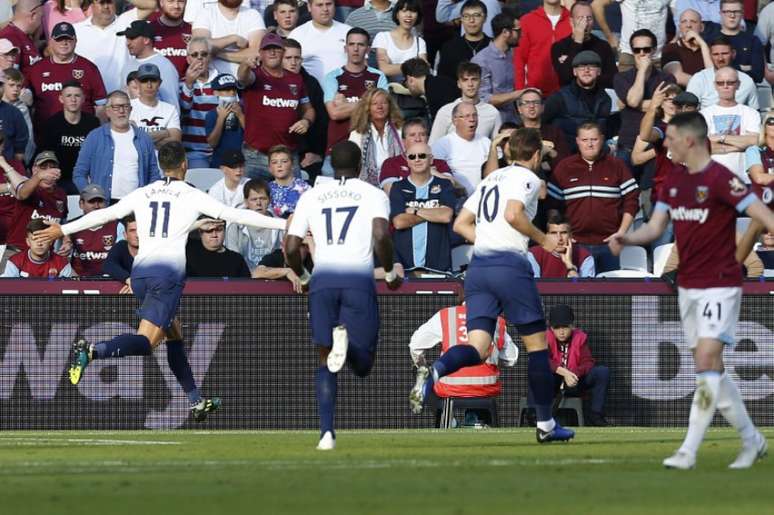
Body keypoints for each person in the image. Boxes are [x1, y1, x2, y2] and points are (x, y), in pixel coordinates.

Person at [33, 140, 287, 421]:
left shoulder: (143, 193)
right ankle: (93, 351)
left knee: (174, 335)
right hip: (165, 277)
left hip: (140, 273)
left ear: (159, 166)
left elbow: (107, 213)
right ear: (185, 165)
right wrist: (286, 224)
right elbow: (236, 215)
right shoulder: (190, 194)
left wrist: (63, 229)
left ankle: (195, 400)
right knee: (146, 342)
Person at [608, 111, 774, 469]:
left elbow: (763, 214)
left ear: (689, 140)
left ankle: (688, 450)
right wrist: (627, 237)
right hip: (688, 286)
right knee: (714, 368)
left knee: (703, 362)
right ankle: (752, 439)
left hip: (721, 283)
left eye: (669, 138)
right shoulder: (671, 183)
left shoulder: (721, 179)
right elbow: (653, 229)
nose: (664, 146)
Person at [410, 127, 575, 443]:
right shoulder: (527, 178)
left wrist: (488, 239)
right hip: (509, 266)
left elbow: (461, 224)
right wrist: (544, 240)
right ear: (536, 156)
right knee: (538, 348)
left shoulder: (489, 180)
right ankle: (546, 425)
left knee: (478, 347)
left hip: (478, 268)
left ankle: (435, 372)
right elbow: (514, 214)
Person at [284, 139, 401, 450]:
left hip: (323, 279)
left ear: (331, 165)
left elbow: (292, 247)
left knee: (325, 361)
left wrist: (306, 276)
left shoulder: (311, 195)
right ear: (360, 166)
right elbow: (380, 235)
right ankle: (346, 347)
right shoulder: (374, 194)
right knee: (363, 367)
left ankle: (326, 434)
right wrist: (389, 272)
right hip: (357, 279)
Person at [409, 291, 519, 425]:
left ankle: (449, 421)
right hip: (486, 386)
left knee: (426, 375)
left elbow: (415, 345)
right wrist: (494, 357)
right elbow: (512, 359)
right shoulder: (496, 319)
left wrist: (422, 365)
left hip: (449, 386)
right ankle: (477, 422)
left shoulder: (445, 315)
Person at [547, 122, 639, 273]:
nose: (589, 144)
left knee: (608, 294)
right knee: (576, 292)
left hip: (609, 244)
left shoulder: (617, 166)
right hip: (575, 245)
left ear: (602, 139)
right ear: (577, 141)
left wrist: (622, 232)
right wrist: (561, 235)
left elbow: (632, 200)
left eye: (594, 139)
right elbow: (552, 206)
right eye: (584, 140)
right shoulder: (565, 167)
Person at [237, 32, 315, 179]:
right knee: (254, 200)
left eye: (276, 48)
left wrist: (306, 121)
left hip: (288, 156)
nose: (272, 52)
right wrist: (245, 64)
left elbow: (309, 109)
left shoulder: (296, 79)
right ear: (260, 53)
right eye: (267, 49)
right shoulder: (255, 75)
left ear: (283, 52)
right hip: (256, 156)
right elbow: (243, 77)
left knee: (293, 200)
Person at [73, 91, 161, 202]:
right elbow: (79, 173)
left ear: (130, 110)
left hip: (136, 204)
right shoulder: (94, 137)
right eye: (116, 107)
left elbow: (153, 174)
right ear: (107, 111)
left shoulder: (144, 138)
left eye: (125, 106)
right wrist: (91, 197)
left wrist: (150, 199)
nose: (121, 111)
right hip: (104, 204)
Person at [532, 304, 610, 427]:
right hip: (554, 383)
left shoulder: (580, 338)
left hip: (575, 381)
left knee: (602, 372)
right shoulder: (545, 338)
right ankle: (535, 415)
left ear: (572, 326)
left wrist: (573, 375)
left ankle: (596, 415)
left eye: (565, 327)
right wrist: (564, 373)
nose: (561, 332)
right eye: (557, 328)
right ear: (551, 328)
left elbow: (588, 362)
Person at [613, 29, 676, 179]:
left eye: (646, 49)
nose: (642, 53)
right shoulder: (621, 77)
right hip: (627, 145)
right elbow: (635, 100)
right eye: (637, 50)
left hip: (655, 146)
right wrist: (641, 71)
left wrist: (632, 104)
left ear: (654, 51)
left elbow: (666, 106)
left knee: (652, 192)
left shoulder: (667, 78)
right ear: (632, 52)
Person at [323, 27, 388, 169]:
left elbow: (381, 109)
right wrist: (368, 103)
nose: (356, 49)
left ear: (368, 49)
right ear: (345, 48)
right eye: (352, 44)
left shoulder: (378, 76)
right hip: (337, 148)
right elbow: (335, 113)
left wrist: (346, 104)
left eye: (361, 44)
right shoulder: (332, 76)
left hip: (370, 149)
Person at [27, 21, 107, 133]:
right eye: (59, 39)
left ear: (75, 41)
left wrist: (99, 134)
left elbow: (100, 105)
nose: (64, 43)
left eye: (68, 39)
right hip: (46, 135)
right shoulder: (37, 69)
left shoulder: (89, 68)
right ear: (51, 42)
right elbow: (28, 104)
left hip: (82, 134)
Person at [389, 141, 456, 273]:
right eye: (412, 157)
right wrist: (434, 214)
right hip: (406, 266)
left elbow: (446, 216)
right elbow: (399, 222)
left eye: (422, 156)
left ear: (431, 160)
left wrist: (414, 211)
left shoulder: (445, 184)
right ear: (407, 161)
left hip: (438, 265)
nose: (417, 159)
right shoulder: (398, 187)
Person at [542, 50, 614, 150]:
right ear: (574, 72)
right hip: (565, 153)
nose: (587, 70)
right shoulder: (559, 98)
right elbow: (542, 123)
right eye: (581, 67)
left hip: (594, 152)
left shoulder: (605, 99)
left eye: (592, 66)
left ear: (599, 71)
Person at [39, 80, 101, 194]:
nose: (73, 100)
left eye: (77, 95)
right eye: (69, 96)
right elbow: (44, 155)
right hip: (58, 179)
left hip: (86, 179)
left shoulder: (93, 123)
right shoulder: (51, 124)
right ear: (61, 99)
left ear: (83, 99)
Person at [701, 66, 760, 183]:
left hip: (743, 178)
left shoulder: (751, 113)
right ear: (715, 85)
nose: (725, 86)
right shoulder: (703, 114)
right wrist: (740, 144)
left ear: (738, 84)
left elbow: (754, 141)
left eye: (730, 82)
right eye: (720, 83)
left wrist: (719, 138)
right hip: (711, 179)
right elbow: (702, 147)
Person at [281, 38, 329, 181]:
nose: (293, 62)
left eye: (297, 58)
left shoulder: (311, 83)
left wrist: (318, 153)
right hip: (274, 152)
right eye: (288, 58)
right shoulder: (269, 82)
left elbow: (322, 121)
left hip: (307, 154)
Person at [2, 151, 68, 252]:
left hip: (46, 255)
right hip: (17, 252)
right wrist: (39, 176)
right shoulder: (29, 187)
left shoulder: (61, 194)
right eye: (43, 168)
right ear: (34, 170)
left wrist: (66, 239)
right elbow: (23, 193)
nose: (48, 172)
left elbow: (62, 220)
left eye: (52, 167)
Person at [429, 62, 501, 144]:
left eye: (474, 79)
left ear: (481, 82)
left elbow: (497, 147)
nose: (470, 84)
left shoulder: (492, 113)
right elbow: (433, 146)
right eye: (465, 80)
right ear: (459, 84)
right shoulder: (445, 111)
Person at [73, 0, 137, 93]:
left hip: (123, 100)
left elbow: (151, 5)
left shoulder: (126, 22)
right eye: (102, 3)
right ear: (92, 4)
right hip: (89, 99)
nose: (106, 6)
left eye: (109, 2)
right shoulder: (76, 30)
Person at [551, 1, 616, 90]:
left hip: (597, 97)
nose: (585, 23)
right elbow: (565, 78)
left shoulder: (603, 46)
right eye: (580, 18)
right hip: (571, 98)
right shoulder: (559, 47)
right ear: (571, 21)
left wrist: (586, 78)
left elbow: (613, 80)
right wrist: (577, 42)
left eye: (589, 18)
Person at [378, 117, 453, 194]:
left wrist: (432, 172)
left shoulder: (440, 163)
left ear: (427, 139)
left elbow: (452, 186)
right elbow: (392, 192)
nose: (418, 139)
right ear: (403, 141)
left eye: (422, 135)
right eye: (412, 135)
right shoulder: (391, 163)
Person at [591, 0, 671, 72]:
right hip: (629, 54)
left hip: (656, 56)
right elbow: (596, 5)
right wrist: (610, 37)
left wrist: (676, 37)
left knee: (659, 88)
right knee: (625, 87)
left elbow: (678, 13)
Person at [191, 0, 265, 77]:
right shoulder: (205, 13)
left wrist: (217, 53)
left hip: (244, 80)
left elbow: (257, 53)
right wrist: (233, 38)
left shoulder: (253, 15)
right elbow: (199, 47)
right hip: (210, 81)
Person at [120, 20, 181, 111]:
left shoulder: (165, 66)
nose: (128, 43)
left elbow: (172, 106)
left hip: (157, 123)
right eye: (127, 39)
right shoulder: (127, 66)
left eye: (132, 38)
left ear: (146, 40)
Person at [347, 88, 404, 186]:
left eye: (384, 103)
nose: (379, 107)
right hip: (367, 186)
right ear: (367, 108)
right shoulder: (357, 133)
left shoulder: (400, 129)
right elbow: (351, 163)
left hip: (398, 183)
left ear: (390, 106)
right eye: (374, 104)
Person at [431, 101, 490, 195]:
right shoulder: (442, 145)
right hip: (457, 197)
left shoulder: (486, 142)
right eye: (467, 116)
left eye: (474, 115)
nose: (472, 119)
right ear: (455, 121)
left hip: (484, 196)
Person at [514, 0, 571, 97]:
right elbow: (519, 60)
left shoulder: (572, 20)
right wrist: (520, 92)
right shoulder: (527, 21)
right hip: (535, 94)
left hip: (568, 92)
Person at [472, 12, 521, 124]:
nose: (521, 34)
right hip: (493, 122)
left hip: (514, 118)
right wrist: (517, 94)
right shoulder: (481, 60)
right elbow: (483, 98)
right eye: (517, 31)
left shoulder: (512, 54)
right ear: (505, 32)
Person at [287, 0, 352, 85]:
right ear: (309, 7)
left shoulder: (349, 32)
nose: (325, 9)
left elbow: (362, 65)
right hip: (311, 94)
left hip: (345, 93)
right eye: (320, 5)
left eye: (328, 4)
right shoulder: (297, 34)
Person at [687, 37, 759, 110]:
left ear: (733, 54)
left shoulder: (747, 81)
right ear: (710, 56)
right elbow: (688, 111)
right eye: (715, 54)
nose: (720, 59)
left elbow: (755, 111)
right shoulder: (699, 79)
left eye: (724, 54)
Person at [179, 37, 220, 168]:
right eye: (195, 55)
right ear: (188, 59)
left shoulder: (222, 81)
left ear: (210, 57)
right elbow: (184, 110)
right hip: (194, 152)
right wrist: (189, 84)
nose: (199, 58)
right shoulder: (181, 84)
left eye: (204, 54)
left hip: (220, 149)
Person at [225, 178, 281, 270]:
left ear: (269, 200)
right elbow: (233, 259)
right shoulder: (235, 226)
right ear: (246, 202)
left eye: (262, 198)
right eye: (254, 199)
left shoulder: (279, 225)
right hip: (244, 277)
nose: (258, 203)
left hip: (273, 276)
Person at [67, 183, 120, 276]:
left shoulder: (117, 225)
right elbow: (62, 261)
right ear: (81, 204)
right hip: (80, 281)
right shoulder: (70, 227)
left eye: (100, 201)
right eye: (91, 201)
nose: (96, 206)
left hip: (110, 281)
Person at [390, 58, 459, 127]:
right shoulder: (443, 81)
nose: (407, 88)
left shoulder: (433, 93)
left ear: (410, 80)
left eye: (405, 84)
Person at [129, 63, 182, 149]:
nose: (149, 85)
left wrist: (139, 137)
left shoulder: (170, 109)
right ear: (137, 83)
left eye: (153, 80)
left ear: (160, 83)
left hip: (163, 161)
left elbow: (175, 140)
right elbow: (127, 141)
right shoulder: (127, 107)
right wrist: (165, 133)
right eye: (144, 80)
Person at [373, 0, 427, 83]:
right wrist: (413, 66)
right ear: (397, 14)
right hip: (388, 89)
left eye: (413, 11)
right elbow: (384, 69)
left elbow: (423, 70)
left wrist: (394, 67)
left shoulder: (420, 42)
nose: (408, 15)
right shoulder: (383, 37)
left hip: (412, 90)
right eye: (404, 11)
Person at [528, 212, 595, 278]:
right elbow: (533, 285)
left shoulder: (585, 257)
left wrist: (570, 266)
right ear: (547, 236)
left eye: (563, 233)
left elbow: (583, 288)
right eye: (554, 233)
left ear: (570, 236)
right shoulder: (534, 254)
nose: (559, 238)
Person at [436, 0, 490, 81]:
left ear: (485, 18)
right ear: (461, 19)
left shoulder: (494, 46)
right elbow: (443, 81)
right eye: (466, 16)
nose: (471, 20)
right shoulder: (449, 48)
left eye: (476, 15)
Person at [1, 219, 73, 278]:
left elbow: (75, 286)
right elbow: (5, 289)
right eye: (35, 239)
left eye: (43, 239)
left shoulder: (62, 263)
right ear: (28, 242)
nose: (39, 244)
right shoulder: (15, 261)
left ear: (51, 241)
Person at [661, 9, 714, 87]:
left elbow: (713, 75)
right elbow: (677, 77)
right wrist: (706, 86)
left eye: (693, 21)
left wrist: (703, 45)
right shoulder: (671, 48)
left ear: (702, 27)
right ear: (680, 27)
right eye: (684, 22)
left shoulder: (710, 48)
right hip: (684, 95)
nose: (688, 25)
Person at [185, 218, 251, 277]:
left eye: (219, 229)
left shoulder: (236, 259)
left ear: (225, 231)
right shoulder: (189, 249)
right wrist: (197, 224)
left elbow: (246, 288)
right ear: (200, 232)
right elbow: (176, 232)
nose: (214, 235)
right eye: (209, 230)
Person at [717, 0, 763, 84]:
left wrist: (725, 68)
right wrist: (742, 67)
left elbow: (758, 75)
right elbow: (709, 73)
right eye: (727, 12)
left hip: (745, 90)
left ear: (742, 13)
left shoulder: (753, 41)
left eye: (736, 12)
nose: (732, 15)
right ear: (720, 13)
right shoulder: (711, 39)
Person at [204, 72, 244, 166]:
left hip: (242, 162)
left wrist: (240, 115)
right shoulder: (211, 114)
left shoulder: (244, 110)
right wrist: (221, 119)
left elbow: (252, 136)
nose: (232, 93)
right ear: (216, 92)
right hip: (220, 162)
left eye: (234, 89)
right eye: (226, 90)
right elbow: (212, 143)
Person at [148, 0, 193, 77]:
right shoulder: (149, 29)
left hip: (185, 86)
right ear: (161, 3)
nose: (176, 6)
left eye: (181, 1)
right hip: (154, 85)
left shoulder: (193, 30)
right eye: (171, 1)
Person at [0, 0, 44, 72]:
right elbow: (11, 78)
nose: (41, 22)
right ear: (33, 16)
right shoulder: (9, 38)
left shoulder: (24, 36)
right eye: (41, 17)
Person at [268, 145, 310, 217]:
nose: (279, 165)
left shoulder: (306, 188)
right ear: (269, 168)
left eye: (284, 161)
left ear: (292, 165)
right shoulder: (266, 189)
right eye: (274, 162)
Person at [744, 111, 774, 212]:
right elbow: (759, 178)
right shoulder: (754, 150)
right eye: (771, 121)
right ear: (764, 126)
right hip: (764, 204)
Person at [102, 213, 138, 291]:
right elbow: (108, 265)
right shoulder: (121, 246)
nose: (137, 235)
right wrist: (128, 280)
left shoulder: (153, 249)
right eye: (132, 231)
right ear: (125, 235)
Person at [0, 71, 29, 163]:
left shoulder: (14, 112)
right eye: (11, 85)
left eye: (0, 85)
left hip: (6, 167)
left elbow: (20, 150)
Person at [435, 0, 500, 39]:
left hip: (489, 48)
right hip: (467, 47)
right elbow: (442, 18)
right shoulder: (466, 3)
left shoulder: (492, 2)